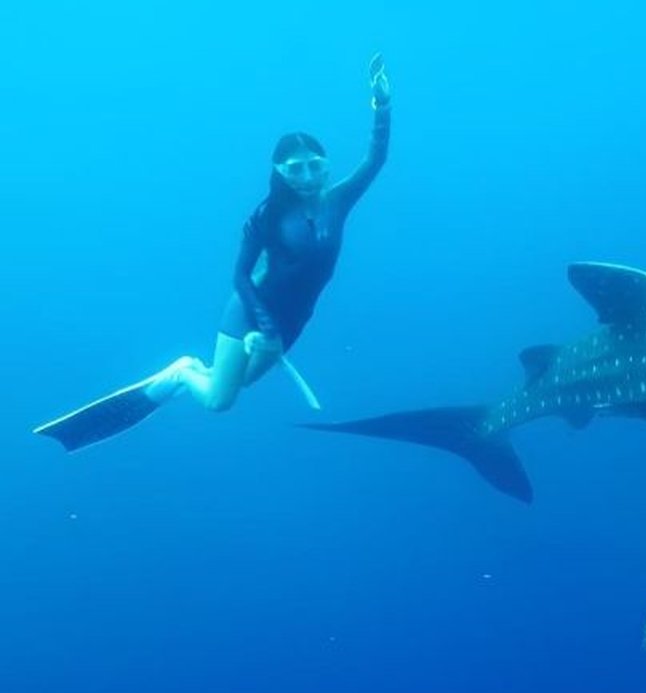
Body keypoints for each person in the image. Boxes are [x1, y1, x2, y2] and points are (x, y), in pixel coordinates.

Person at [34, 54, 393, 452]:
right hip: (250, 312)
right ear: (279, 170)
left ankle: (219, 368)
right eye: (295, 169)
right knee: (220, 402)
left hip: (294, 319)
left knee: (239, 383)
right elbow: (240, 277)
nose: (307, 176)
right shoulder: (266, 217)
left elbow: (375, 157)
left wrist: (382, 104)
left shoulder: (339, 201)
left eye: (315, 166)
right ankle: (184, 372)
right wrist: (265, 329)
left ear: (326, 166)